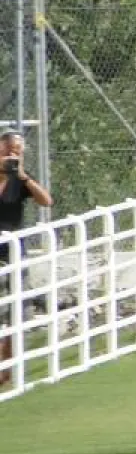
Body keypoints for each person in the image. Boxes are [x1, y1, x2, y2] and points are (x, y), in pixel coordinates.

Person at [0, 130, 53, 387]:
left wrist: (23, 177)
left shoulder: (20, 179)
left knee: (15, 312)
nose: (12, 156)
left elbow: (46, 201)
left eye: (17, 152)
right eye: (8, 150)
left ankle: (6, 369)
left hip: (13, 251)